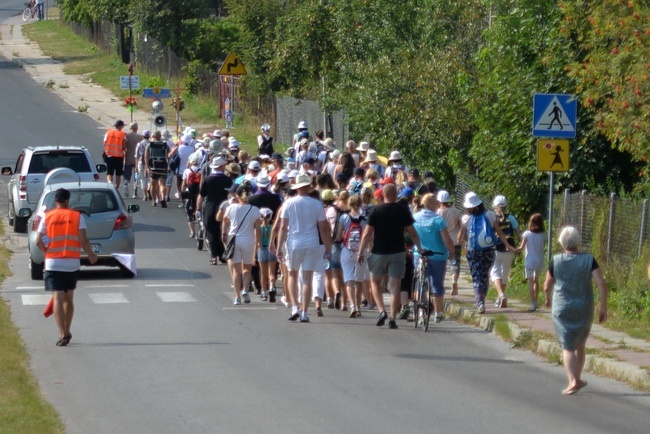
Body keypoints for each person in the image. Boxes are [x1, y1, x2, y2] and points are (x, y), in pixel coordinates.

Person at [544, 226, 607, 395]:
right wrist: (603, 307)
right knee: (580, 344)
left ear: (562, 242)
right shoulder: (589, 260)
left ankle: (572, 381)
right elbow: (601, 283)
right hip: (584, 307)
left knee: (567, 346)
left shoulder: (556, 260)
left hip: (562, 308)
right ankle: (577, 379)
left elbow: (546, 285)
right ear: (578, 241)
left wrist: (548, 298)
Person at [35, 188, 98, 346]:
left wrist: (46, 253)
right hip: (71, 263)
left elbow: (37, 240)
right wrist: (91, 256)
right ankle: (68, 329)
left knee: (57, 297)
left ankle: (62, 333)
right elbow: (83, 240)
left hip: (53, 262)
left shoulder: (47, 216)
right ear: (68, 201)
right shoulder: (77, 217)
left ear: (55, 200)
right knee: (69, 298)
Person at [358, 184, 424, 330]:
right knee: (395, 286)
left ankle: (381, 310)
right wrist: (420, 248)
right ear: (395, 195)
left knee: (375, 282)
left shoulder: (376, 210)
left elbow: (367, 234)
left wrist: (361, 252)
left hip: (378, 252)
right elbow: (412, 232)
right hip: (398, 252)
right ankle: (393, 319)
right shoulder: (402, 210)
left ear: (383, 195)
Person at [273, 173, 333, 323]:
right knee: (307, 278)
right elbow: (324, 229)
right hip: (312, 242)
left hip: (294, 242)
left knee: (292, 275)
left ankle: (295, 307)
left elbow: (283, 227)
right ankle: (305, 312)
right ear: (308, 186)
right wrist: (328, 247)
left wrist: (279, 246)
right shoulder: (317, 204)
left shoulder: (289, 203)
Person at [458, 192, 514, 314]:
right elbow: (499, 233)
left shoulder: (466, 219)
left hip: (473, 253)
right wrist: (508, 245)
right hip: (489, 251)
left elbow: (459, 237)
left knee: (477, 277)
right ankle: (482, 298)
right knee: (484, 275)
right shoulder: (490, 214)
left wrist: (467, 240)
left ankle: (480, 302)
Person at [413, 194, 455, 323]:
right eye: (436, 202)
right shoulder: (438, 220)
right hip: (437, 255)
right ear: (431, 204)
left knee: (419, 282)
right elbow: (447, 240)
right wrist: (452, 251)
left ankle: (420, 313)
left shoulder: (415, 218)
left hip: (419, 254)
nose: (438, 204)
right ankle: (438, 312)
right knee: (437, 284)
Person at [222, 185, 262, 305]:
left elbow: (224, 220)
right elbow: (258, 228)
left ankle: (237, 296)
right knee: (247, 268)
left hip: (234, 239)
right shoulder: (255, 210)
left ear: (237, 196)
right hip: (248, 240)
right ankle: (245, 289)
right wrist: (258, 242)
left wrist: (224, 233)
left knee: (236, 270)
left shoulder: (232, 207)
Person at [335, 194, 369, 318]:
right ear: (360, 204)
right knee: (359, 281)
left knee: (349, 280)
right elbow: (368, 237)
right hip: (361, 252)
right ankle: (359, 307)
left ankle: (352, 305)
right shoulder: (365, 219)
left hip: (347, 251)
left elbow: (339, 236)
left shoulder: (344, 217)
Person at [197, 156, 233, 264]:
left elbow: (202, 194)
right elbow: (231, 195)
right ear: (222, 167)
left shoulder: (208, 179)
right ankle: (222, 254)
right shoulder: (227, 180)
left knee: (211, 230)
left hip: (210, 207)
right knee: (222, 230)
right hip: (224, 207)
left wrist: (198, 208)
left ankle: (213, 255)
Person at [490, 195, 522, 308]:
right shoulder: (511, 218)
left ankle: (501, 294)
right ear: (505, 206)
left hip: (496, 249)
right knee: (504, 274)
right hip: (510, 250)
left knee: (495, 273)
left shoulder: (492, 218)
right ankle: (500, 298)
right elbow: (519, 233)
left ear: (494, 206)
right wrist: (521, 247)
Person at [516, 213, 547, 311]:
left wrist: (512, 249)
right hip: (539, 259)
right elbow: (543, 245)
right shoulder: (543, 235)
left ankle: (533, 302)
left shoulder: (527, 234)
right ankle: (536, 300)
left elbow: (521, 247)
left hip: (529, 260)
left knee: (530, 281)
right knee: (535, 280)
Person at [436, 190, 463, 295]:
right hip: (455, 240)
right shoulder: (456, 212)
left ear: (439, 201)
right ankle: (454, 280)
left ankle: (440, 283)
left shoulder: (437, 212)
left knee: (441, 263)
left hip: (441, 241)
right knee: (455, 263)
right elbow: (460, 226)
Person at [144, 131, 170, 208]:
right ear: (160, 136)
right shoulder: (165, 145)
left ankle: (154, 201)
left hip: (153, 167)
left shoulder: (149, 145)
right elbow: (168, 155)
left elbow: (146, 156)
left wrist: (147, 167)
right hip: (162, 167)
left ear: (154, 136)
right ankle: (162, 198)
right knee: (162, 184)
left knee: (153, 184)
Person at [257, 208, 278, 302]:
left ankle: (264, 292)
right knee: (271, 273)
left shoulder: (258, 228)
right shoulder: (273, 228)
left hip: (261, 250)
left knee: (263, 273)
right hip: (271, 250)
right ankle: (272, 287)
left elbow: (256, 242)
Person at [180, 155, 202, 238]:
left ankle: (192, 232)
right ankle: (200, 229)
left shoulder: (187, 171)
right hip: (199, 194)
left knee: (189, 213)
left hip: (189, 193)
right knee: (199, 211)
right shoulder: (202, 171)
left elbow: (184, 183)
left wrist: (182, 193)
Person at [103, 119, 127, 188]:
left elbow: (104, 143)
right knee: (118, 174)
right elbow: (124, 145)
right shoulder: (123, 134)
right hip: (119, 157)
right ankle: (116, 188)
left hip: (109, 155)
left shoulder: (108, 132)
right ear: (121, 126)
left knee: (109, 172)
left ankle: (110, 184)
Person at [123, 122, 143, 198]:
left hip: (128, 158)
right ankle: (135, 192)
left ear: (130, 128)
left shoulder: (126, 136)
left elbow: (124, 147)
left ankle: (125, 184)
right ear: (137, 128)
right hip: (137, 159)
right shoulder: (140, 137)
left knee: (127, 174)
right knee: (136, 176)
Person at [135, 130, 151, 201]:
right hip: (150, 163)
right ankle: (149, 189)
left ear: (143, 136)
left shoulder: (140, 144)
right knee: (150, 179)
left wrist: (136, 166)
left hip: (141, 163)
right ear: (149, 136)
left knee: (143, 179)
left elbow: (136, 156)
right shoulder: (151, 144)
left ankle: (145, 195)